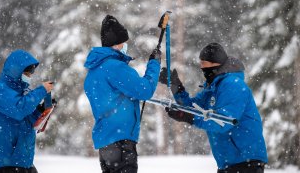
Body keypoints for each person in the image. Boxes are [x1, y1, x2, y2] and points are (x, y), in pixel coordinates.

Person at [159, 43, 268, 173]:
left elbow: (224, 121)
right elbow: (193, 108)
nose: (201, 67)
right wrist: (176, 86)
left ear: (215, 64)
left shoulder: (233, 85)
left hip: (246, 162)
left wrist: (190, 118)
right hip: (228, 164)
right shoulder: (213, 87)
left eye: (204, 63)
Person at [84, 15, 161, 173]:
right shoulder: (115, 67)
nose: (126, 46)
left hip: (105, 142)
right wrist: (154, 64)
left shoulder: (93, 72)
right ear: (117, 44)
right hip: (121, 142)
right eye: (123, 43)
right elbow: (144, 90)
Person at [0, 50, 54, 173]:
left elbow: (25, 122)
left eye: (30, 73)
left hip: (23, 161)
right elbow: (19, 110)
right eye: (27, 73)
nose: (29, 76)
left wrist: (40, 110)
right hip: (8, 163)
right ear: (16, 70)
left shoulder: (17, 94)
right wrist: (41, 90)